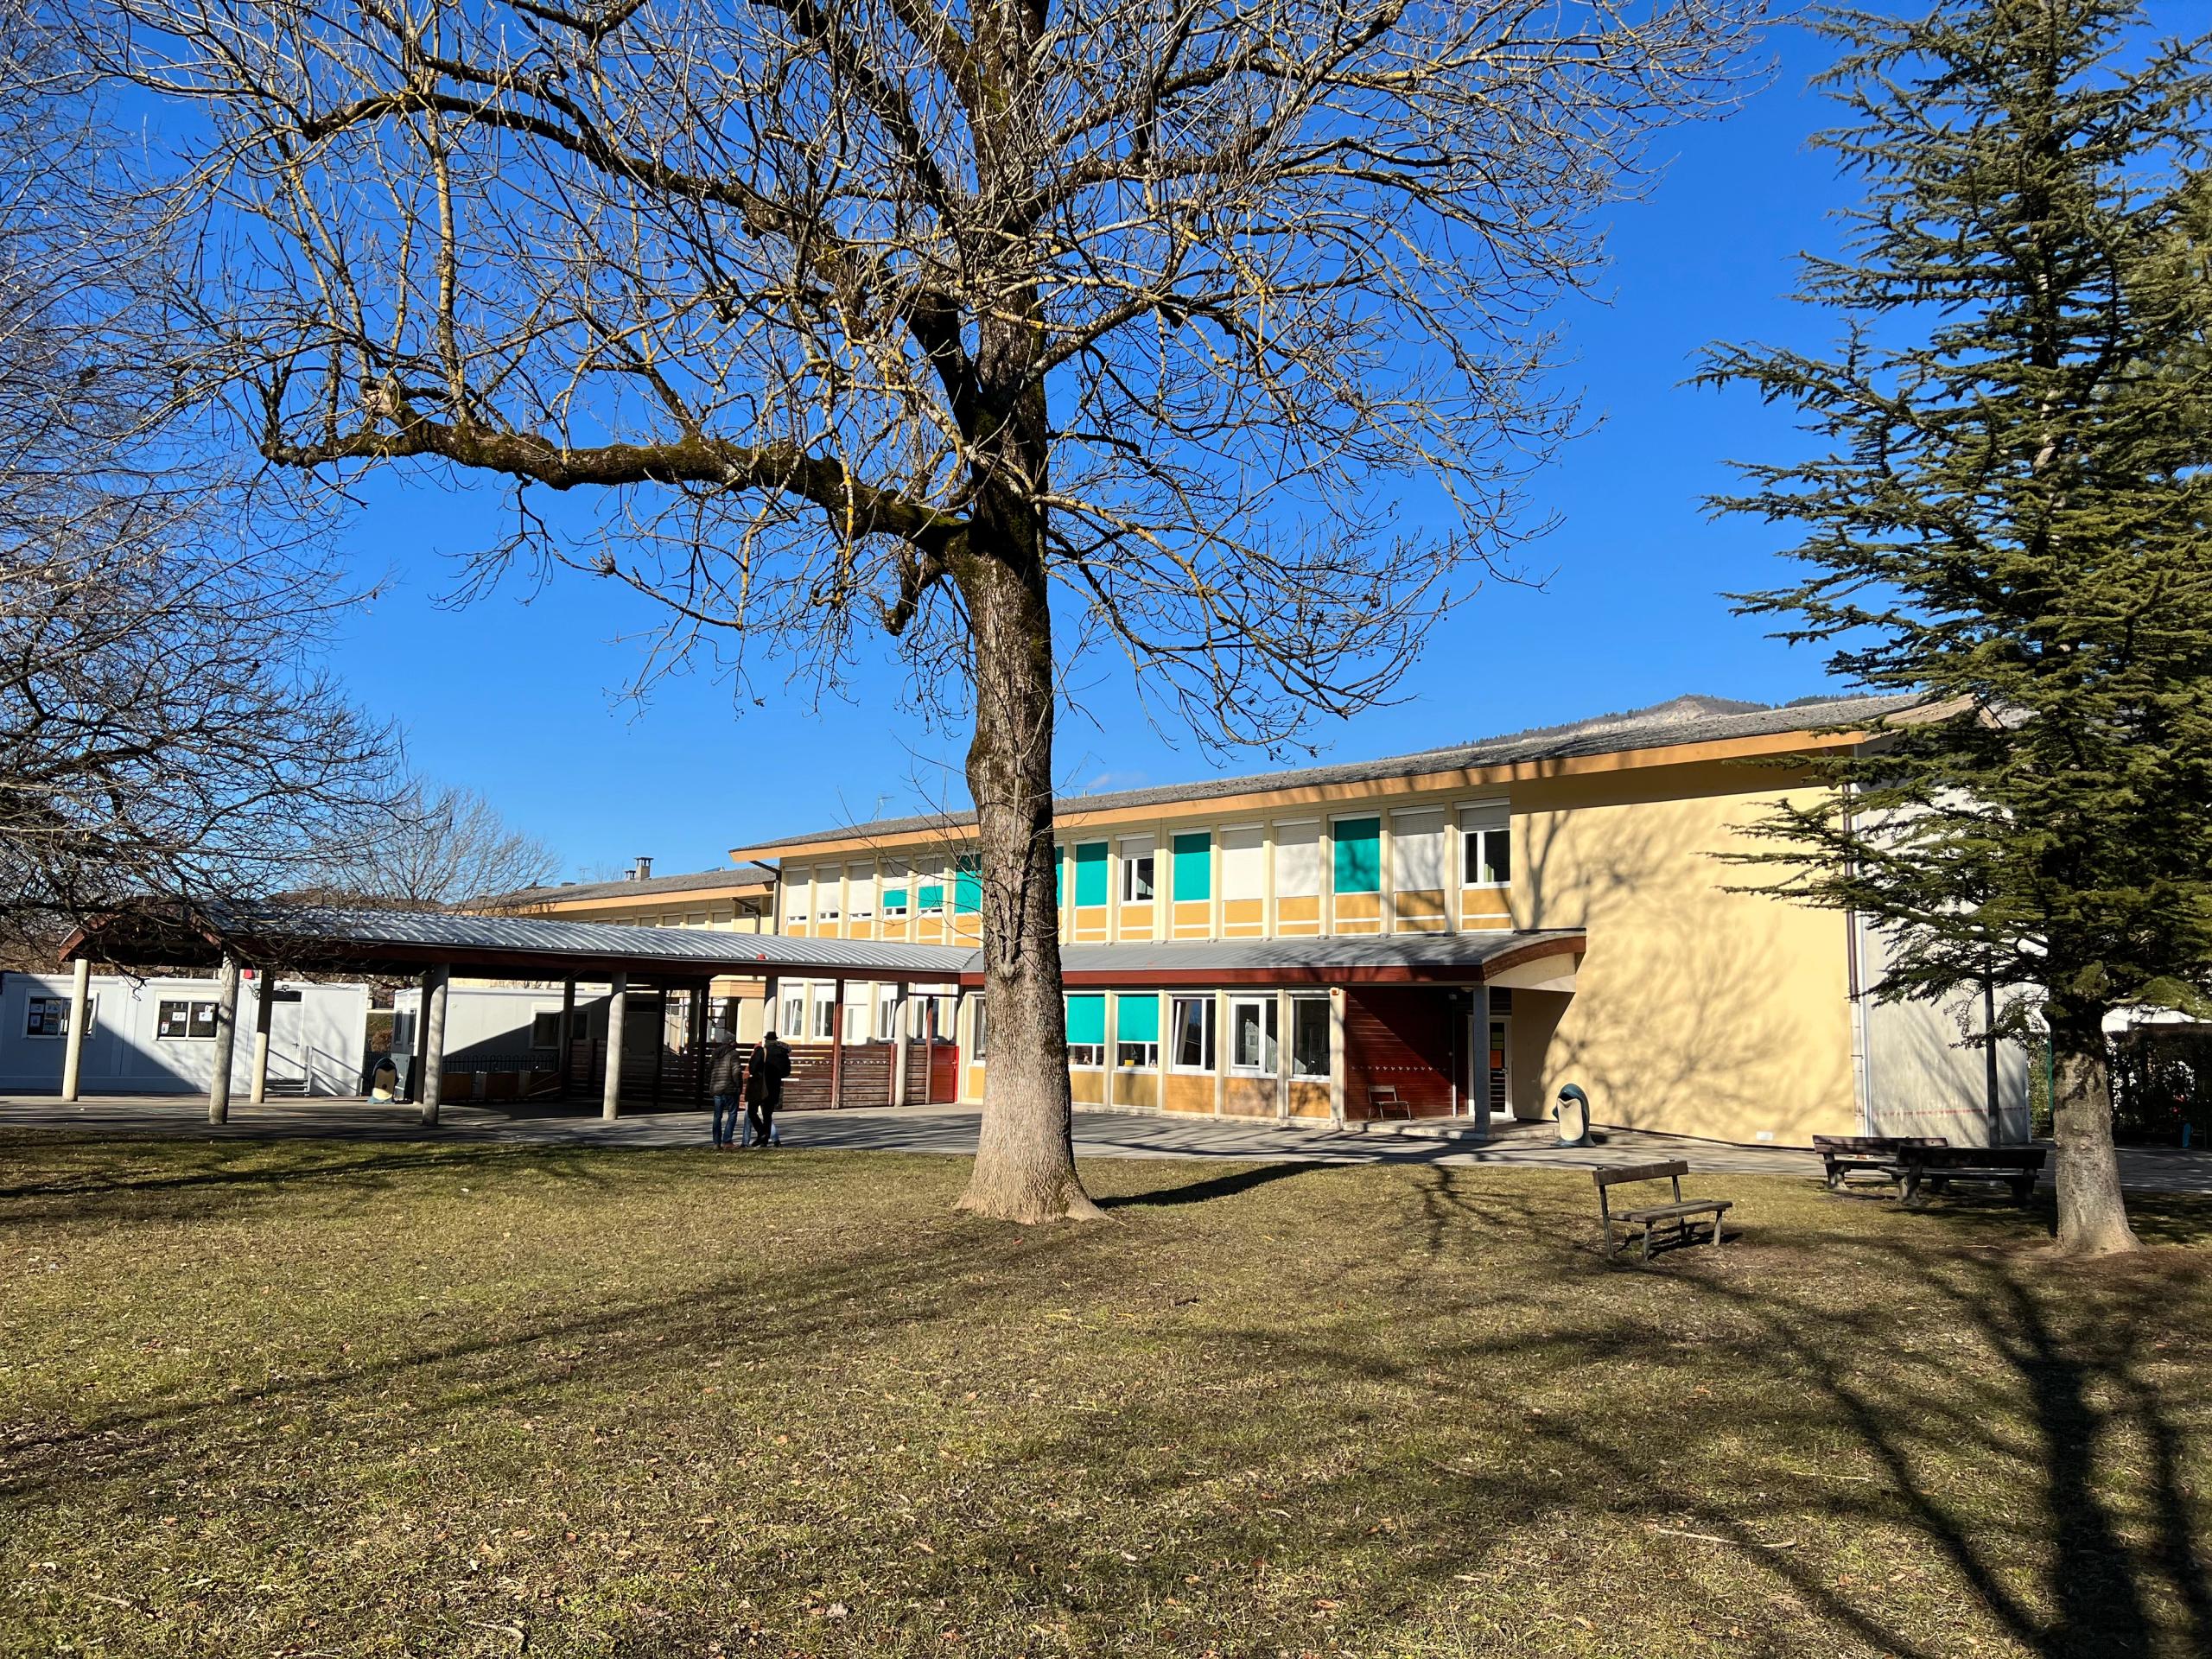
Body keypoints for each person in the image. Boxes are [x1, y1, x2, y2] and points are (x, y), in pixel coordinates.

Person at [745, 1027, 792, 1147]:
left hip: (760, 1086)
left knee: (752, 1111)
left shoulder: (762, 1051)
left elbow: (753, 1068)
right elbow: (786, 1072)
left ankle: (762, 1133)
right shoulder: (783, 1053)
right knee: (767, 1115)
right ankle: (765, 1140)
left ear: (766, 1040)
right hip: (774, 1087)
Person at [708, 1040, 746, 1151]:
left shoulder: (715, 1053)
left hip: (716, 1089)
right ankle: (727, 1141)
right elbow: (736, 1071)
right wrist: (738, 1086)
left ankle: (716, 1143)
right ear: (732, 1043)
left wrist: (711, 1084)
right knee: (732, 1114)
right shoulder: (734, 1054)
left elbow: (709, 1070)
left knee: (717, 1117)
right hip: (730, 1089)